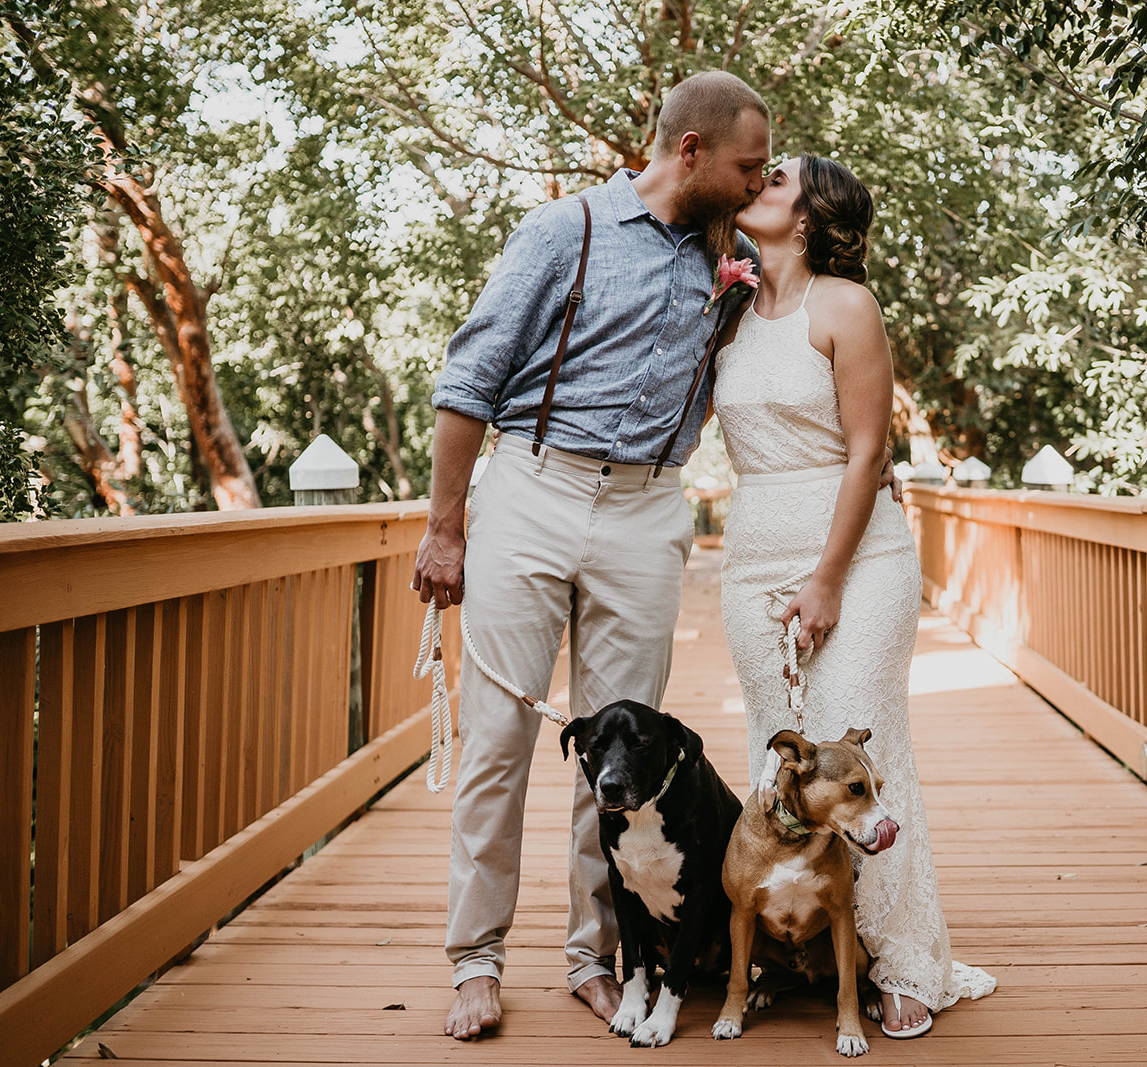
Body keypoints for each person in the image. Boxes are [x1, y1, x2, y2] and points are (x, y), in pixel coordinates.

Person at [410, 70, 772, 1040]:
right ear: (689, 151)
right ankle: (474, 961)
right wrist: (447, 528)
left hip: (650, 506)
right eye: (748, 166)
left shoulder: (733, 257)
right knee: (498, 741)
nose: (759, 182)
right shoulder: (560, 231)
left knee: (625, 759)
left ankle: (593, 957)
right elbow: (469, 379)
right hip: (533, 487)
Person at [713, 154, 997, 1039]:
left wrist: (828, 577)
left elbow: (868, 448)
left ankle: (907, 961)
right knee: (788, 759)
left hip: (856, 555)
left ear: (810, 213)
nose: (758, 175)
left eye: (779, 173)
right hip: (753, 561)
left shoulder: (845, 304)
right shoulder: (728, 310)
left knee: (864, 731)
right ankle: (809, 944)